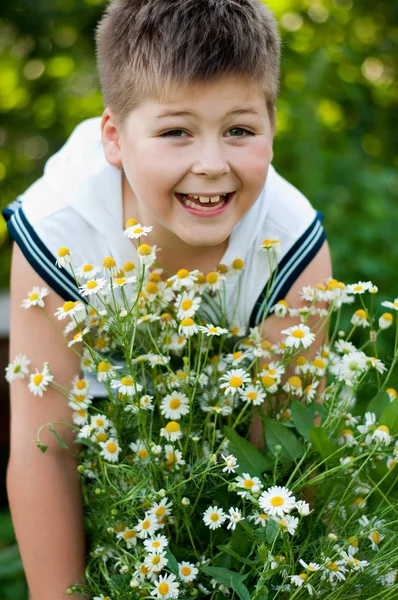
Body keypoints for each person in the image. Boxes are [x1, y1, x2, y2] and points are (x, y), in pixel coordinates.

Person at [3, 0, 332, 597]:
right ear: (115, 140)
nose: (211, 165)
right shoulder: (59, 231)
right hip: (109, 416)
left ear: (272, 129)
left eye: (239, 130)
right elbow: (43, 447)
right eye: (176, 132)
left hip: (216, 428)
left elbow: (285, 455)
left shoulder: (291, 243)